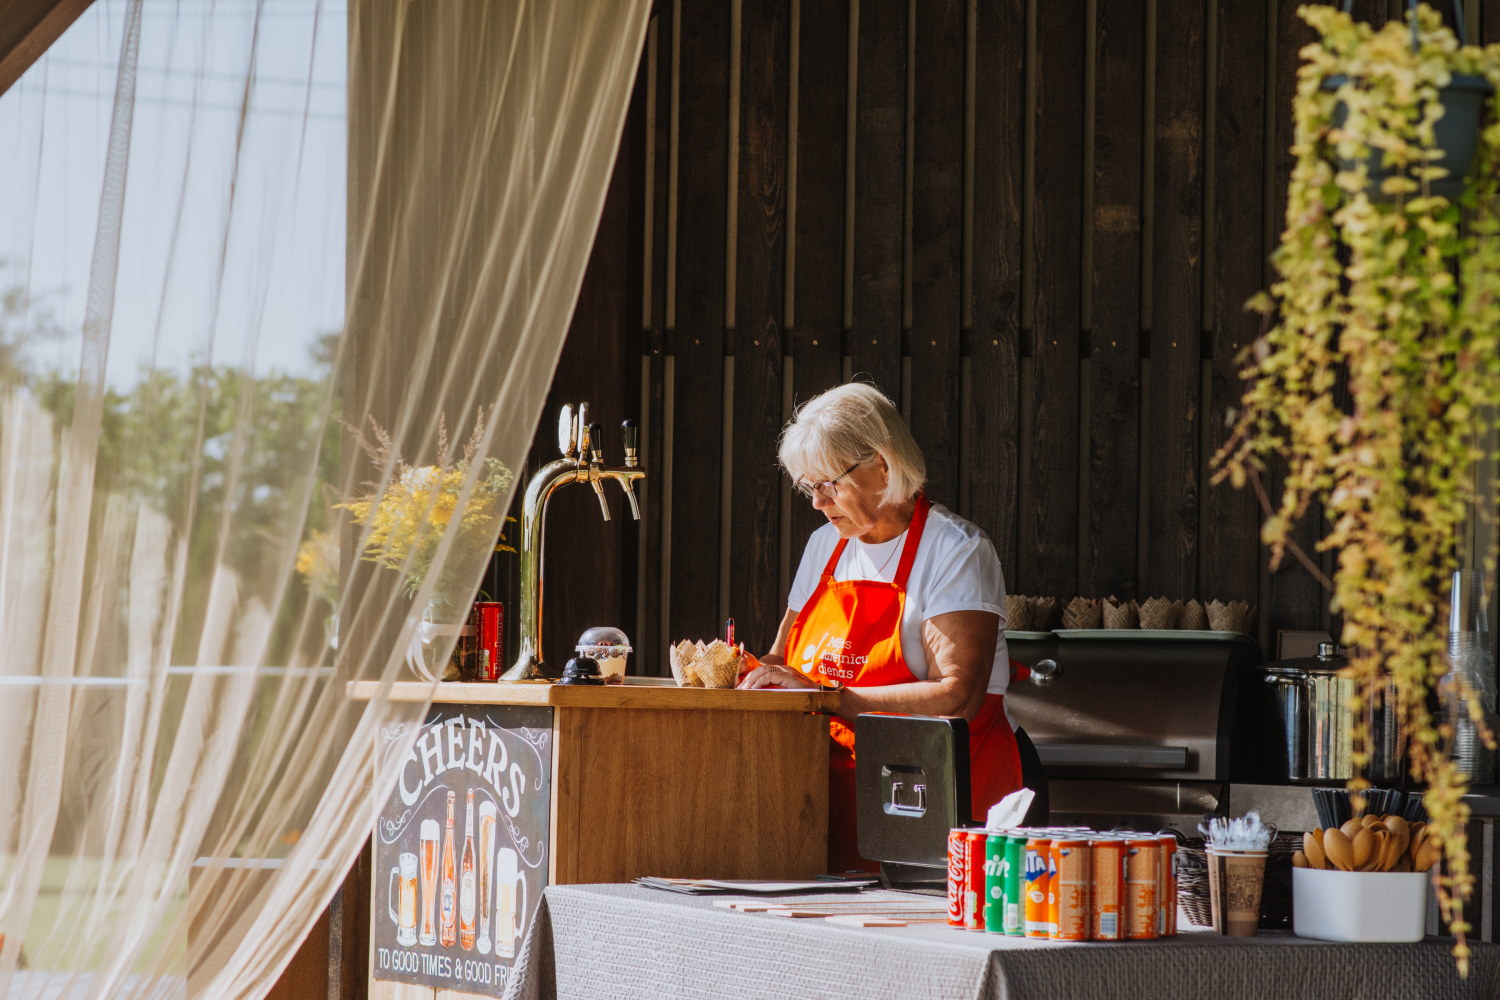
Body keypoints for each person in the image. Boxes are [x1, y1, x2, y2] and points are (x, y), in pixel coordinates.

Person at [738, 382, 1047, 872]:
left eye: (829, 484)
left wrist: (830, 698)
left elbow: (957, 697)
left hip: (934, 804)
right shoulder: (824, 547)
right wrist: (748, 673)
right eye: (808, 487)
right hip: (825, 802)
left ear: (882, 465)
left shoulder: (955, 550)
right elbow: (782, 660)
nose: (817, 502)